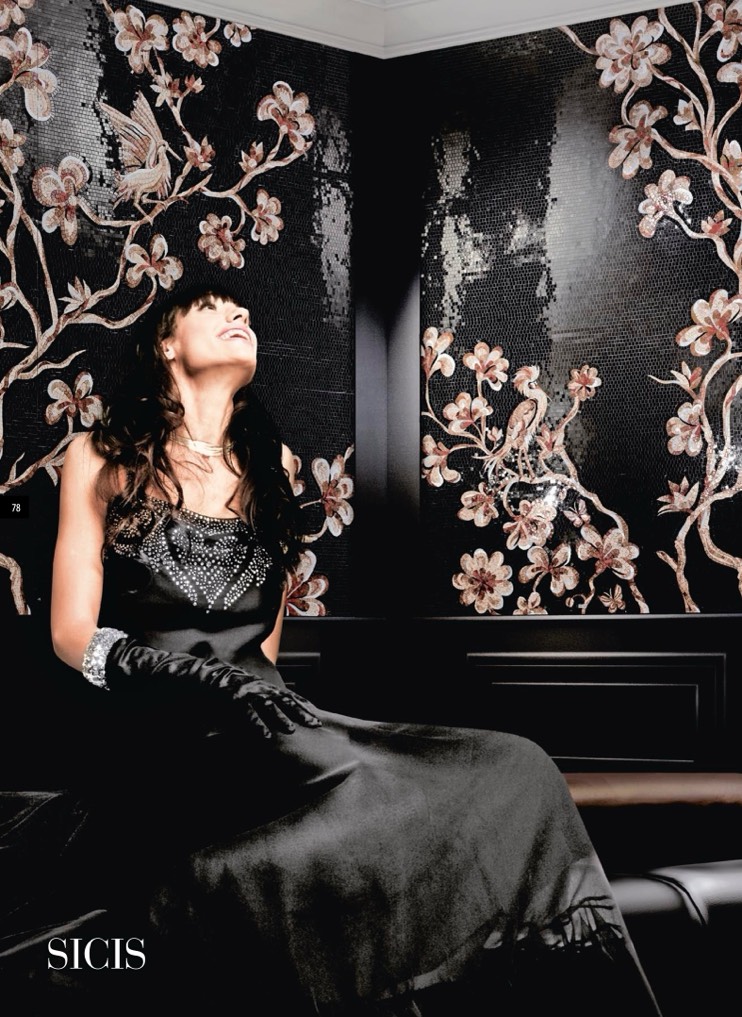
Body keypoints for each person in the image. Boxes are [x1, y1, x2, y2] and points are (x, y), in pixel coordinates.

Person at [1, 284, 662, 1015]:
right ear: (167, 343)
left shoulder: (275, 465)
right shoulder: (101, 455)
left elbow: (267, 639)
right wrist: (195, 678)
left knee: (516, 765)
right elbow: (69, 633)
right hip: (158, 734)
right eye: (214, 308)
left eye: (244, 310)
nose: (241, 314)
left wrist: (262, 700)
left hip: (263, 728)